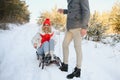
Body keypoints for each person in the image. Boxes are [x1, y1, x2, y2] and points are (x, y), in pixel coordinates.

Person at [58, 0, 90, 79]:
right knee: (64, 45)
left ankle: (78, 70)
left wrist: (84, 27)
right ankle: (65, 65)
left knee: (77, 47)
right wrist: (64, 11)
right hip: (69, 27)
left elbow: (86, 11)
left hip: (78, 27)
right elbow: (73, 10)